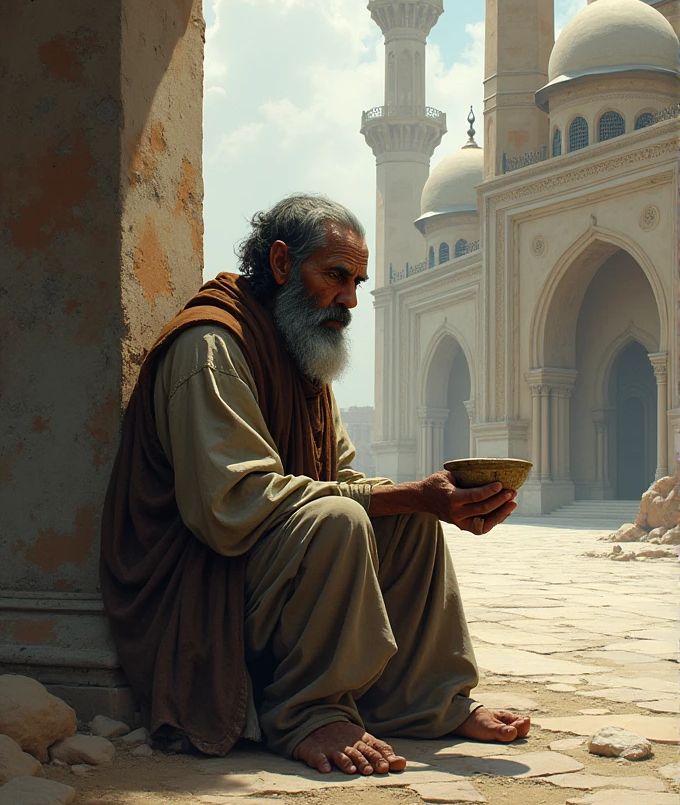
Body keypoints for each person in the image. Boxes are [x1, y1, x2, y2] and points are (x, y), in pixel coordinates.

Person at [100, 194, 530, 777]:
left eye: (357, 281)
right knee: (341, 519)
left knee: (406, 520)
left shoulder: (303, 355)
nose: (351, 299)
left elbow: (342, 475)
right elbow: (234, 505)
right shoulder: (212, 347)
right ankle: (307, 712)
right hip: (199, 588)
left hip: (262, 573)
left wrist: (438, 501)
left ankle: (426, 701)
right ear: (281, 264)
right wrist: (404, 494)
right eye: (335, 276)